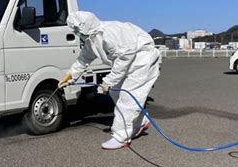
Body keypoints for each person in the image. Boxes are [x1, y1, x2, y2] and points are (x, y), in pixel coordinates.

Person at [58, 11, 161, 150]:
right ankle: (141, 122)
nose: (76, 32)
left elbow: (124, 58)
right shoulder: (92, 39)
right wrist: (70, 76)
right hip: (129, 64)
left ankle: (121, 136)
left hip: (142, 62)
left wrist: (108, 80)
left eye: (77, 29)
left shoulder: (110, 33)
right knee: (115, 93)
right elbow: (83, 60)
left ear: (85, 26)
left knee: (127, 98)